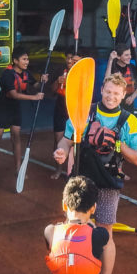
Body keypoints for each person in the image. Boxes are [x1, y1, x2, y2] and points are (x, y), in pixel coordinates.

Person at [53, 74, 137, 274]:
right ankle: (75, 273)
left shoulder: (129, 121)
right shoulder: (85, 112)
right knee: (75, 229)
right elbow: (66, 138)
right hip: (82, 180)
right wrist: (62, 150)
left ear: (123, 95)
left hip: (108, 183)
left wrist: (116, 142)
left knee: (105, 233)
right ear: (101, 89)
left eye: (116, 93)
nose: (111, 97)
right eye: (108, 91)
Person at [0, 46, 47, 176]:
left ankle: (18, 169)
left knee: (16, 136)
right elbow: (13, 94)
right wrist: (34, 97)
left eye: (27, 59)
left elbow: (35, 85)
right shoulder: (7, 75)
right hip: (3, 107)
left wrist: (43, 81)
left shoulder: (26, 73)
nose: (27, 62)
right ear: (15, 60)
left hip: (15, 108)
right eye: (24, 59)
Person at [51, 51, 81, 180]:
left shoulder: (81, 74)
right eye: (68, 58)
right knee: (58, 139)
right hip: (60, 107)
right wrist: (58, 81)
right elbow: (52, 90)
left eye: (73, 60)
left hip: (74, 110)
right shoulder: (61, 72)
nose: (70, 61)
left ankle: (73, 170)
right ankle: (58, 168)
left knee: (74, 141)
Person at [104, 44, 137, 112]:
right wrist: (110, 60)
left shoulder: (132, 67)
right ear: (118, 56)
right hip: (114, 103)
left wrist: (133, 97)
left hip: (129, 103)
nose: (130, 57)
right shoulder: (112, 68)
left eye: (130, 54)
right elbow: (106, 82)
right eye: (126, 55)